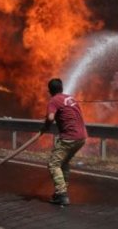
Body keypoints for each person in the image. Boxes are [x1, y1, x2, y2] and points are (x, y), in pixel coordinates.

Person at [40, 78, 87, 206]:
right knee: (64, 162)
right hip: (82, 137)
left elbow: (50, 117)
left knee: (54, 164)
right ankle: (61, 190)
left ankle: (61, 194)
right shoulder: (71, 98)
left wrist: (46, 126)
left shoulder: (53, 101)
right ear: (62, 88)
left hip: (69, 137)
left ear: (49, 91)